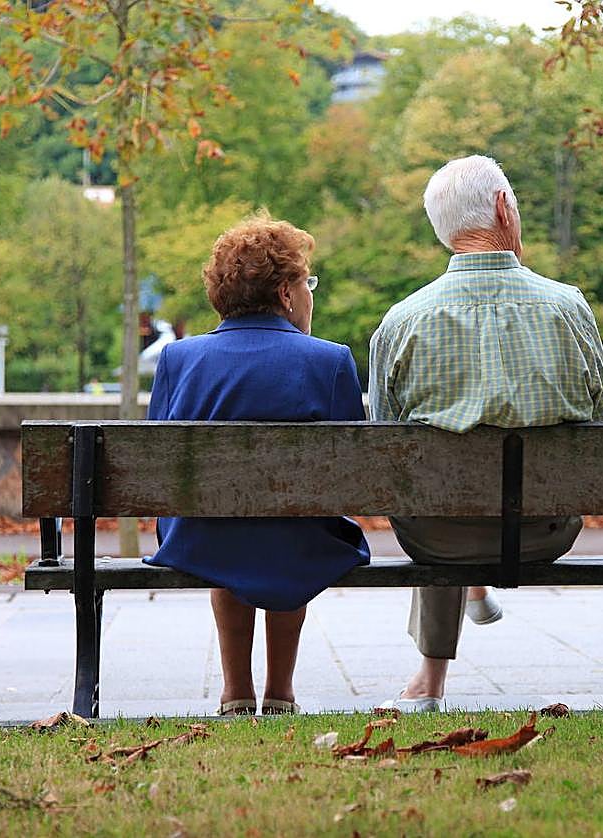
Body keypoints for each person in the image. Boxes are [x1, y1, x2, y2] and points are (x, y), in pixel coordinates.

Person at [369, 154, 603, 712]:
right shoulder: (569, 309)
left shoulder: (401, 321)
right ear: (505, 208)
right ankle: (469, 603)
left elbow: (385, 452)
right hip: (544, 532)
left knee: (437, 497)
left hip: (437, 537)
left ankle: (430, 677)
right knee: (457, 494)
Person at [145, 213, 370, 716]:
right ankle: (281, 692)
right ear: (286, 294)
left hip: (201, 538)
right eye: (307, 283)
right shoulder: (331, 360)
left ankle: (236, 692)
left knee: (226, 528)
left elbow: (160, 466)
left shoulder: (178, 360)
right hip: (301, 538)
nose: (310, 294)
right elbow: (350, 474)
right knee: (293, 525)